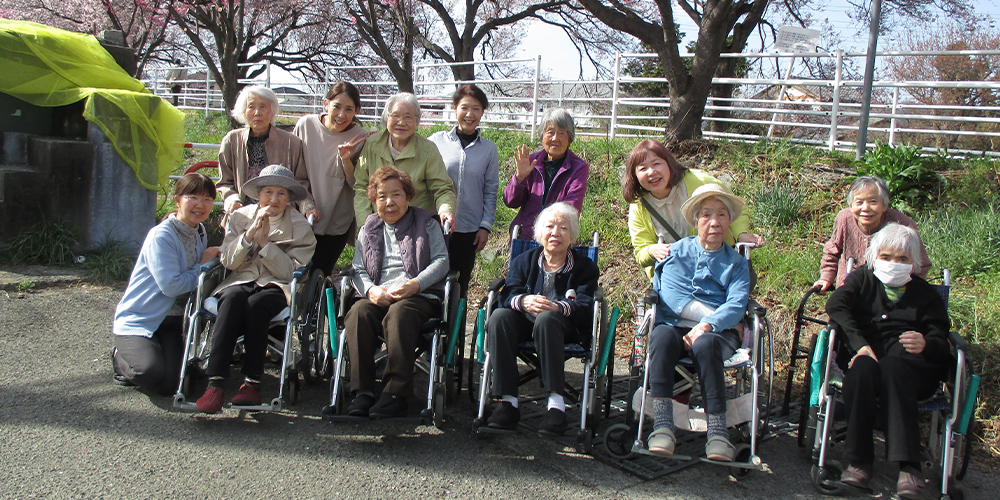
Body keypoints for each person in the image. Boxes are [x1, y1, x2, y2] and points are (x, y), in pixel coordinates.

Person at [825, 222, 952, 500]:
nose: (894, 263)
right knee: (862, 371)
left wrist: (926, 344)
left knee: (894, 368)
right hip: (867, 356)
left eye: (902, 258)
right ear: (874, 257)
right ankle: (859, 463)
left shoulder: (925, 294)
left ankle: (909, 468)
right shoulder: (862, 280)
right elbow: (836, 306)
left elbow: (943, 343)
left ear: (914, 263)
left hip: (911, 371)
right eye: (886, 256)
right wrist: (860, 345)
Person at [195, 165, 316, 414]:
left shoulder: (301, 227)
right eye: (268, 192)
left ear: (290, 198)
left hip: (276, 284)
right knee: (231, 299)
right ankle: (215, 381)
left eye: (281, 194)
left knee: (256, 305)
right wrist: (249, 236)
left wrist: (265, 246)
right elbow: (228, 262)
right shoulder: (240, 218)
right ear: (258, 194)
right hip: (240, 279)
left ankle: (252, 382)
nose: (273, 199)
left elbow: (289, 272)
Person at [644, 184, 751, 462]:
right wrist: (716, 317)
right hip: (678, 326)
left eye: (721, 215)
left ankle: (717, 434)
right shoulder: (676, 252)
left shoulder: (737, 264)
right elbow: (671, 297)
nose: (714, 222)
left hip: (717, 334)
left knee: (705, 345)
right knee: (661, 337)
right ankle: (663, 426)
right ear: (695, 221)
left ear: (729, 221)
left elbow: (737, 305)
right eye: (706, 215)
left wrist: (707, 325)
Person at [484, 202, 600, 436]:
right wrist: (524, 301)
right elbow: (509, 293)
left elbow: (587, 305)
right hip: (525, 322)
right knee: (499, 317)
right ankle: (508, 403)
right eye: (549, 226)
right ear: (539, 233)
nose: (555, 233)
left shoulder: (584, 267)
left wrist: (557, 307)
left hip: (562, 326)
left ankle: (556, 406)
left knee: (547, 319)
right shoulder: (523, 261)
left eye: (563, 228)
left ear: (572, 236)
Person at [343, 166, 450, 419]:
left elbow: (441, 262)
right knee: (357, 312)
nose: (389, 202)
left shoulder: (427, 223)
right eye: (382, 196)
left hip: (418, 296)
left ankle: (396, 394)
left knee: (399, 313)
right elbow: (357, 267)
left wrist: (416, 284)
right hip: (379, 294)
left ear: (408, 196)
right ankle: (362, 392)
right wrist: (370, 291)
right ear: (373, 200)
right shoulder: (368, 228)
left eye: (396, 194)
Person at [112, 173, 221, 395]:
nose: (200, 205)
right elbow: (171, 286)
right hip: (141, 319)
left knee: (173, 385)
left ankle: (156, 354)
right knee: (149, 373)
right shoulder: (161, 236)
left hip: (171, 321)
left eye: (207, 199)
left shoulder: (199, 231)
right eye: (193, 197)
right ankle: (119, 357)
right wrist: (202, 266)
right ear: (177, 200)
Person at [622, 139, 763, 278]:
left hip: (718, 267)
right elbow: (641, 252)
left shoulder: (698, 181)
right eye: (643, 168)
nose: (651, 172)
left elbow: (735, 206)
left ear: (669, 164)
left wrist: (741, 234)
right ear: (635, 175)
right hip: (675, 277)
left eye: (656, 164)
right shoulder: (638, 206)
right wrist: (652, 251)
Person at [428, 84, 500, 297]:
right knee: (431, 284)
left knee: (459, 286)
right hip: (434, 226)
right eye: (464, 108)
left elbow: (490, 189)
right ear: (455, 108)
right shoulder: (436, 141)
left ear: (483, 112)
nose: (470, 114)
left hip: (468, 229)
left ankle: (456, 330)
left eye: (476, 109)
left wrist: (485, 226)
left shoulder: (489, 149)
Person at [293, 81, 369, 275]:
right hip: (303, 214)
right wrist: (306, 205)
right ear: (326, 104)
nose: (341, 115)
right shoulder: (306, 125)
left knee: (320, 273)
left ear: (357, 111)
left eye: (349, 109)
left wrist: (346, 160)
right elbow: (295, 172)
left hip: (336, 221)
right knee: (296, 273)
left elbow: (357, 184)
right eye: (337, 106)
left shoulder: (360, 137)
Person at [354, 92, 456, 232]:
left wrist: (445, 210)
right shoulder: (372, 144)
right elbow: (361, 186)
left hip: (416, 228)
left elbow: (442, 188)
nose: (401, 122)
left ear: (417, 121)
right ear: (386, 117)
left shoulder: (427, 150)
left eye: (408, 117)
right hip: (377, 225)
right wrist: (365, 224)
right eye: (395, 115)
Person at [813, 176, 931, 293]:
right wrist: (825, 278)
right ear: (851, 205)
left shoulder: (903, 225)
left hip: (889, 292)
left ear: (884, 205)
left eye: (873, 202)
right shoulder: (844, 218)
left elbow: (921, 264)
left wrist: (906, 291)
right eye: (859, 202)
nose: (865, 208)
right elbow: (831, 252)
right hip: (848, 289)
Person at [217, 86, 310, 216]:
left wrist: (308, 207)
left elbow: (300, 183)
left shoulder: (291, 142)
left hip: (280, 216)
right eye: (251, 107)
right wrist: (231, 199)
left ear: (272, 111)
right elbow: (225, 182)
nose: (257, 113)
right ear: (244, 111)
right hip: (242, 214)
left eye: (263, 107)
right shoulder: (232, 140)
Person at [503, 108, 589, 240]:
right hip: (525, 237)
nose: (555, 138)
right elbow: (510, 202)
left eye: (561, 133)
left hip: (557, 238)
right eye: (550, 132)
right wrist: (519, 178)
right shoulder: (531, 162)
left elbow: (572, 207)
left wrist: (546, 229)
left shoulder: (578, 168)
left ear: (569, 138)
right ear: (542, 135)